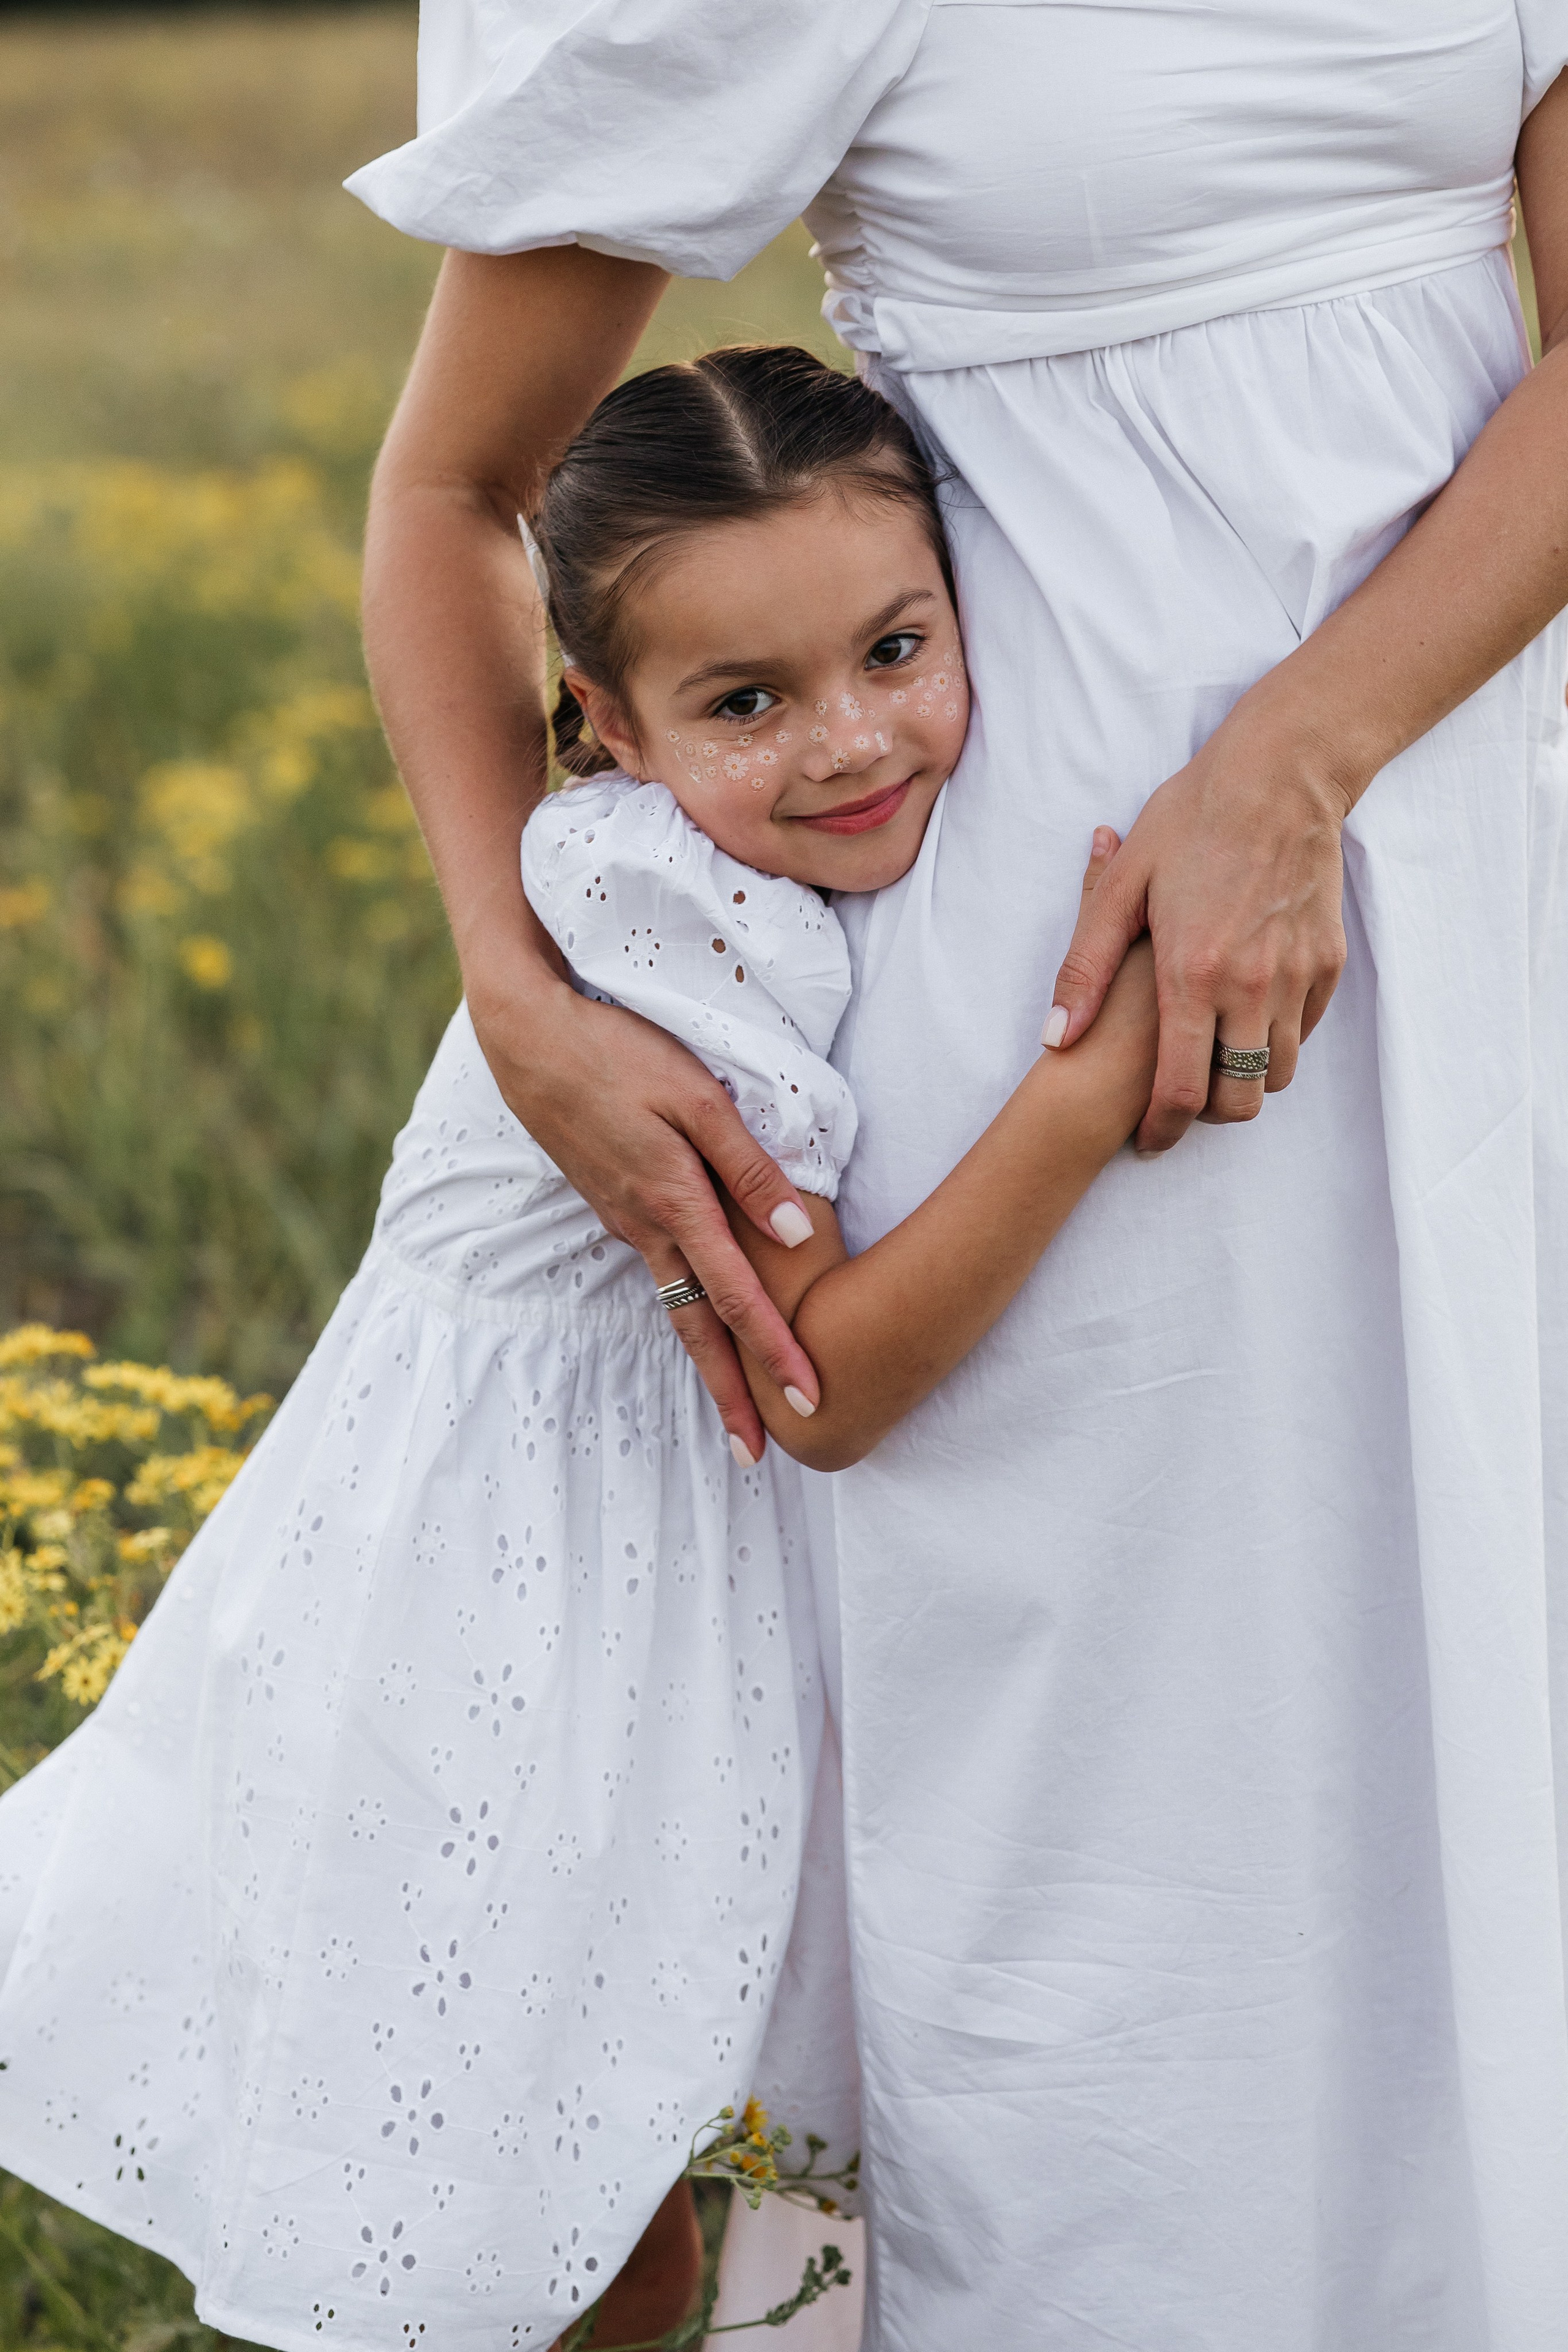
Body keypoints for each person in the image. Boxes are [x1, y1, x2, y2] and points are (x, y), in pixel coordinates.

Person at [343, 5, 1568, 2345]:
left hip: (1458, 904)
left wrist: (1301, 760)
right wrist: (519, 986)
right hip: (1037, 985)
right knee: (1117, 1820)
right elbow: (451, 484)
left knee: (1473, 1740)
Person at [0, 347, 1161, 2352]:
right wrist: (1087, 1088)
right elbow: (829, 1385)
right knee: (530, 2204)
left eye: (896, 648)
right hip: (497, 1621)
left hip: (625, 1598)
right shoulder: (652, 913)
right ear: (603, 727)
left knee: (625, 2195)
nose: (849, 742)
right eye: (745, 703)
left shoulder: (761, 866)